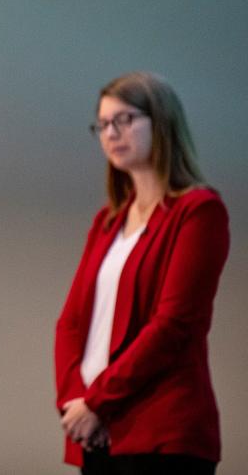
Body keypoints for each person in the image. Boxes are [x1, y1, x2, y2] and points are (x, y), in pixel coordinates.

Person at [54, 71, 229, 475]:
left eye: (125, 120)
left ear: (161, 122)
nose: (111, 133)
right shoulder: (107, 221)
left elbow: (174, 325)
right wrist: (74, 404)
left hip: (162, 432)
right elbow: (71, 324)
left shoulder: (198, 212)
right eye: (102, 125)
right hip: (95, 431)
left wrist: (97, 401)